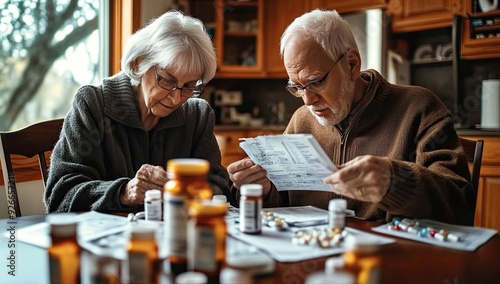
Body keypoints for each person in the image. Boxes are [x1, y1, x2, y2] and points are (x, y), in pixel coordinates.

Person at [227, 9, 476, 225]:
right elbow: (283, 202)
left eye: (314, 82)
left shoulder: (419, 108)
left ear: (352, 64)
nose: (307, 100)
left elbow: (459, 204)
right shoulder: (301, 120)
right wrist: (262, 189)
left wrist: (395, 183)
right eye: (297, 87)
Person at [44, 10, 231, 213]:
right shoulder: (93, 105)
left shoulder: (198, 116)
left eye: (189, 86)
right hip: (107, 241)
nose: (177, 98)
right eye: (167, 81)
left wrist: (198, 190)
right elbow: (60, 195)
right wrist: (124, 191)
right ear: (138, 63)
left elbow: (219, 187)